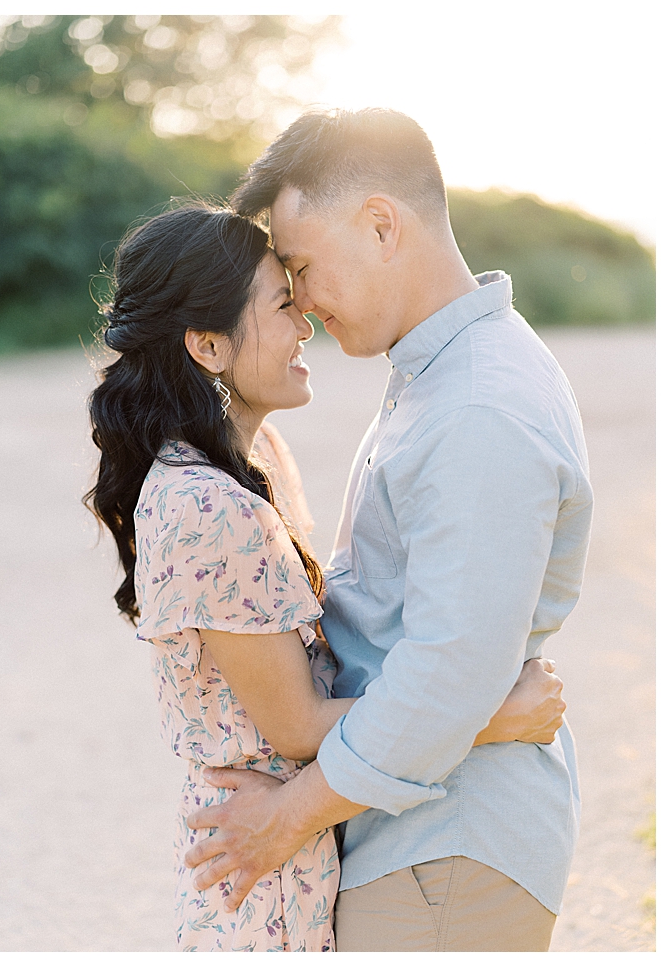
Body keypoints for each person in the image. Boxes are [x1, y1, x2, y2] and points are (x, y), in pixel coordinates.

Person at [84, 199, 570, 951]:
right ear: (208, 345)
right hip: (263, 876)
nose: (305, 319)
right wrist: (495, 716)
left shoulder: (257, 462)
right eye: (283, 302)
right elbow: (300, 724)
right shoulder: (205, 505)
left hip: (309, 845)